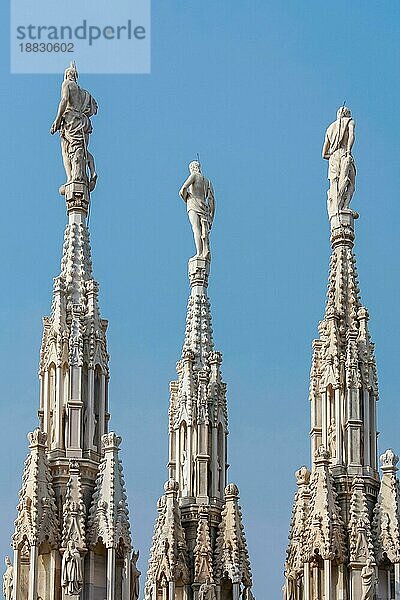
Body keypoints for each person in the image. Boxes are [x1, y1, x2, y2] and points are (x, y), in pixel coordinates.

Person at [51, 62, 98, 192]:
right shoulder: (84, 93)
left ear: (67, 75)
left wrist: (57, 120)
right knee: (81, 148)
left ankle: (71, 178)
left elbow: (64, 100)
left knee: (66, 150)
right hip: (83, 122)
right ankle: (93, 171)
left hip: (71, 120)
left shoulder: (67, 84)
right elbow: (94, 108)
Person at [322, 106, 356, 220]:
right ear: (347, 114)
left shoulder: (330, 128)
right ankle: (344, 206)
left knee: (334, 183)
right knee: (349, 182)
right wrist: (348, 151)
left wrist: (332, 156)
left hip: (333, 159)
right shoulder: (349, 121)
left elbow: (324, 154)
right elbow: (352, 136)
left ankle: (336, 208)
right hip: (344, 154)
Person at [179, 161, 215, 260]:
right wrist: (211, 216)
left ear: (192, 168)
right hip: (204, 207)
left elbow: (183, 189)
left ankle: (199, 253)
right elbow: (212, 200)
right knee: (204, 230)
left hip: (193, 204)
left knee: (196, 228)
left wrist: (186, 198)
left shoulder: (194, 176)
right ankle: (205, 251)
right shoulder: (207, 181)